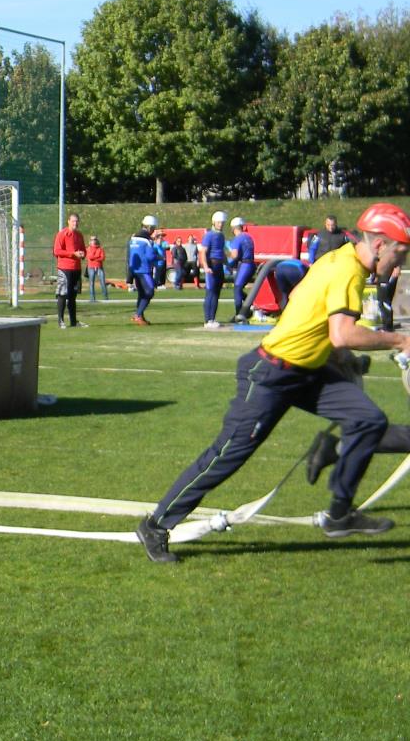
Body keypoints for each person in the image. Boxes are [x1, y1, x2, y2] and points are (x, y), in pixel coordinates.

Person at [136, 204, 410, 563]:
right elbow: (342, 334)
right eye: (398, 254)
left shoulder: (340, 257)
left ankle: (340, 514)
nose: (399, 265)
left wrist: (335, 357)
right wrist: (400, 341)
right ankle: (156, 524)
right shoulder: (348, 271)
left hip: (307, 370)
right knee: (227, 456)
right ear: (378, 246)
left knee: (368, 420)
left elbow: (302, 302)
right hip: (269, 374)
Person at [52, 212, 85, 328]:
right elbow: (57, 251)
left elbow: (82, 249)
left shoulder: (79, 235)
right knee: (62, 294)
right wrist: (72, 254)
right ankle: (60, 320)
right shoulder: (62, 234)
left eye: (77, 221)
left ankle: (73, 321)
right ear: (68, 221)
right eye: (73, 221)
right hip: (65, 268)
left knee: (73, 295)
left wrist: (82, 253)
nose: (75, 223)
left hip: (76, 268)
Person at [127, 215, 159, 326]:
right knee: (149, 292)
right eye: (153, 228)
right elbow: (150, 256)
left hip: (134, 269)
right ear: (150, 227)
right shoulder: (147, 239)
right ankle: (138, 314)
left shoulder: (133, 237)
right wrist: (158, 257)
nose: (154, 230)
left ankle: (140, 316)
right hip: (144, 270)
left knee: (142, 293)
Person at [199, 210, 228, 327]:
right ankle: (207, 320)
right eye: (219, 222)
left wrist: (228, 264)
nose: (220, 225)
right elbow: (203, 252)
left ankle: (212, 318)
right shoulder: (209, 235)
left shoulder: (221, 236)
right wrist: (206, 267)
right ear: (214, 222)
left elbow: (222, 252)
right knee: (210, 292)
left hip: (219, 265)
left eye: (222, 223)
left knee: (216, 293)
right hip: (211, 265)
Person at [229, 215, 257, 324]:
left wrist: (228, 262)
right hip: (251, 265)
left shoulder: (238, 238)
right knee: (239, 289)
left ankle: (239, 314)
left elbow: (235, 255)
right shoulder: (248, 237)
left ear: (233, 228)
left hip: (245, 265)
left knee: (237, 289)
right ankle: (253, 305)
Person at [86, 236, 108, 302]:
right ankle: (92, 298)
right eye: (92, 239)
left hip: (99, 267)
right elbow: (90, 257)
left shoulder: (100, 249)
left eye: (95, 239)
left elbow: (102, 258)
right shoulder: (88, 249)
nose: (94, 241)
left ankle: (106, 297)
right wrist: (97, 256)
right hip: (91, 267)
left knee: (103, 282)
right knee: (91, 283)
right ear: (90, 241)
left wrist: (95, 258)